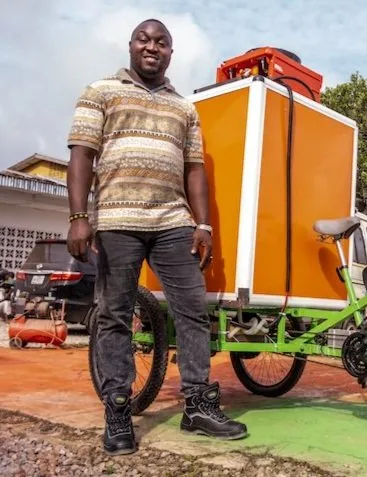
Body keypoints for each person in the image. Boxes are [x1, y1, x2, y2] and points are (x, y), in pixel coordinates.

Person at [66, 18, 248, 456]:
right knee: (114, 316)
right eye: (145, 40)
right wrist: (77, 215)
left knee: (192, 311)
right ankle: (117, 410)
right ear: (131, 45)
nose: (153, 47)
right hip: (117, 219)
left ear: (171, 52)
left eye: (162, 42)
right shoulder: (101, 91)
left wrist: (203, 225)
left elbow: (194, 170)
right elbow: (81, 154)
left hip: (173, 223)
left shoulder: (185, 108)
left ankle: (198, 405)